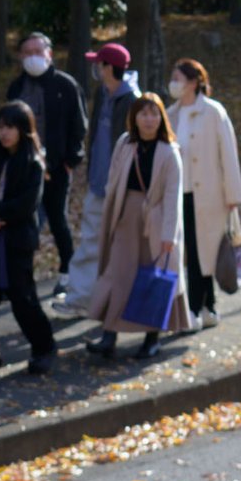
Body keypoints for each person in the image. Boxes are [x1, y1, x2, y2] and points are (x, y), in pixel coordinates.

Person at [81, 95, 188, 362]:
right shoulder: (125, 144)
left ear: (161, 118)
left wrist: (169, 236)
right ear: (135, 118)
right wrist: (112, 212)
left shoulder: (170, 152)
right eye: (143, 114)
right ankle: (109, 335)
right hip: (125, 215)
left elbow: (173, 197)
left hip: (156, 221)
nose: (149, 120)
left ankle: (152, 338)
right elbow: (113, 179)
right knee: (117, 274)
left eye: (154, 114)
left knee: (152, 278)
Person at [0, 101, 57, 378]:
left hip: (15, 240)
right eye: (1, 127)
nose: (4, 133)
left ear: (23, 130)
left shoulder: (33, 164)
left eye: (11, 127)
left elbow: (24, 207)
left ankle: (44, 348)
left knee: (22, 299)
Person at [167, 58, 241, 332]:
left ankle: (194, 310)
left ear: (193, 82)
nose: (173, 84)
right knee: (191, 253)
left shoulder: (213, 112)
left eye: (178, 79)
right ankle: (207, 307)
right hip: (180, 195)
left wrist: (233, 195)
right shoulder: (171, 114)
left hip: (210, 196)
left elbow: (228, 155)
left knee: (204, 253)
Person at [5, 33, 88, 292]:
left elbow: (79, 125)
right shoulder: (16, 88)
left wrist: (70, 160)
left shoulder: (66, 85)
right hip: (23, 168)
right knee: (26, 221)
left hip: (56, 167)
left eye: (38, 52)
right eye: (27, 52)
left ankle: (66, 273)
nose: (32, 57)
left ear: (49, 54)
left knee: (57, 220)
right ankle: (20, 276)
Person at [60, 43, 140, 310]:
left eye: (99, 64)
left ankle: (119, 301)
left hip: (123, 188)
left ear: (109, 68)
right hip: (98, 184)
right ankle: (82, 299)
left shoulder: (132, 101)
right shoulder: (103, 93)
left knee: (121, 246)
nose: (96, 69)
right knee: (91, 242)